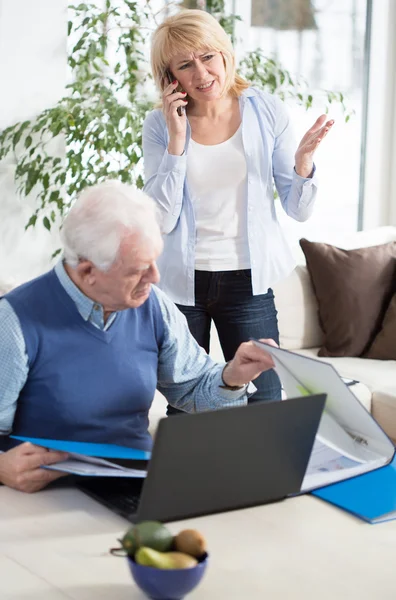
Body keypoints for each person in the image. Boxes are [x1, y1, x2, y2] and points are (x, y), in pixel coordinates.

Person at [0, 180, 276, 493]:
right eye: (139, 269)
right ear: (88, 271)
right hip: (49, 495)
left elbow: (193, 387)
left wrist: (233, 376)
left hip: (137, 485)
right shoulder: (13, 321)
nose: (155, 277)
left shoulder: (153, 305)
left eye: (155, 261)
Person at [143, 9, 334, 413]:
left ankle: (262, 478)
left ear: (224, 53)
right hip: (181, 284)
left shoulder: (265, 111)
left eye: (207, 56)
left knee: (264, 401)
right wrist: (178, 140)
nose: (201, 73)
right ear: (170, 75)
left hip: (248, 282)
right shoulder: (159, 125)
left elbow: (299, 210)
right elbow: (159, 218)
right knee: (185, 406)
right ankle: (187, 478)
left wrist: (302, 165)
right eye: (185, 65)